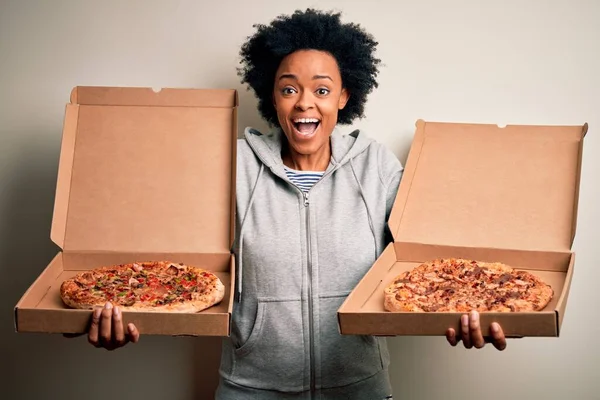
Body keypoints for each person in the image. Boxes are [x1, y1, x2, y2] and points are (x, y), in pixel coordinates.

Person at [77, 8, 507, 399]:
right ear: (273, 96)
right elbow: (171, 268)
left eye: (322, 89)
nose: (305, 102)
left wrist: (485, 313)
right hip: (250, 389)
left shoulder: (377, 168)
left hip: (359, 389)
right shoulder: (232, 167)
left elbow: (429, 271)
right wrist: (113, 316)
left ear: (343, 97)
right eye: (289, 89)